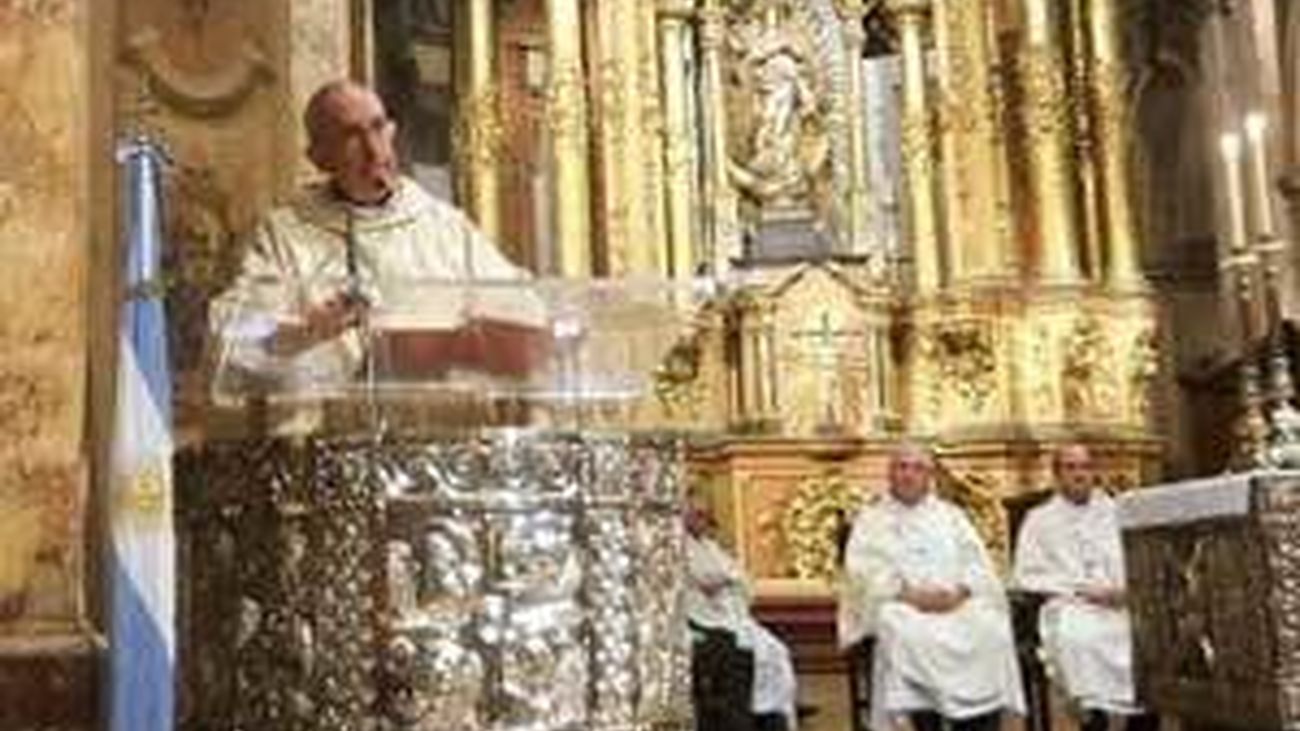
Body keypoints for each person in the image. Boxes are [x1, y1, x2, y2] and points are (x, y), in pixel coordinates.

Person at [212, 79, 542, 390]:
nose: (373, 150)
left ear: (392, 131)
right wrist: (302, 331)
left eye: (378, 127)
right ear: (319, 157)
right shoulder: (285, 234)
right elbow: (230, 332)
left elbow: (525, 311)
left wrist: (467, 340)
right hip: (326, 430)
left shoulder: (444, 227)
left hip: (440, 429)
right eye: (350, 136)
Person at [838, 444, 1024, 731]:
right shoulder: (871, 519)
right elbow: (863, 574)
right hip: (904, 606)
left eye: (917, 468)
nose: (909, 475)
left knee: (991, 627)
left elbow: (978, 565)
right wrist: (911, 596)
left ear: (930, 476)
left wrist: (960, 593)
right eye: (902, 467)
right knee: (902, 630)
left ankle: (980, 721)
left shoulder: (951, 516)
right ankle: (922, 719)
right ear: (890, 474)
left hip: (955, 604)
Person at [1012, 445, 1154, 731]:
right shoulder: (1039, 519)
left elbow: (1140, 560)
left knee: (1148, 636)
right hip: (1072, 605)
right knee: (1080, 638)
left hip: (1121, 602)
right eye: (1070, 467)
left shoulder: (1119, 511)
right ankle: (1093, 720)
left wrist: (1125, 590)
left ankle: (1142, 722)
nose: (1079, 474)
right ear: (1057, 475)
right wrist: (1080, 591)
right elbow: (1025, 574)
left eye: (1085, 467)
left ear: (1094, 472)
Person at [685, 504, 798, 730]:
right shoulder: (672, 544)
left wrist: (727, 582)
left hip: (730, 615)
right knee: (736, 651)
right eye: (696, 514)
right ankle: (747, 715)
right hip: (699, 617)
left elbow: (742, 581)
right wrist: (711, 584)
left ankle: (771, 714)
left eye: (704, 514)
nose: (702, 519)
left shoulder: (711, 546)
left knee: (775, 650)